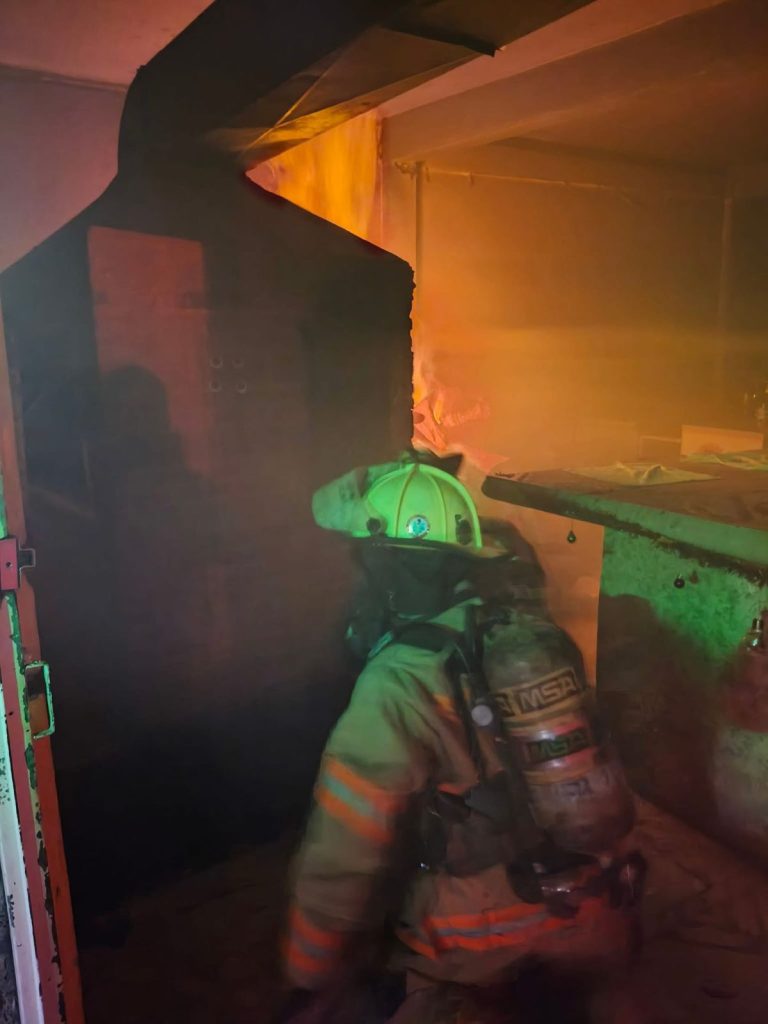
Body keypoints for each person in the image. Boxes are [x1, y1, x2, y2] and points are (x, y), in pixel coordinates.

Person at [276, 453, 645, 1024]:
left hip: (486, 950)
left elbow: (342, 856)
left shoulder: (397, 682)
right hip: (594, 919)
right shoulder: (525, 634)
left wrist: (309, 975)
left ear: (385, 568)